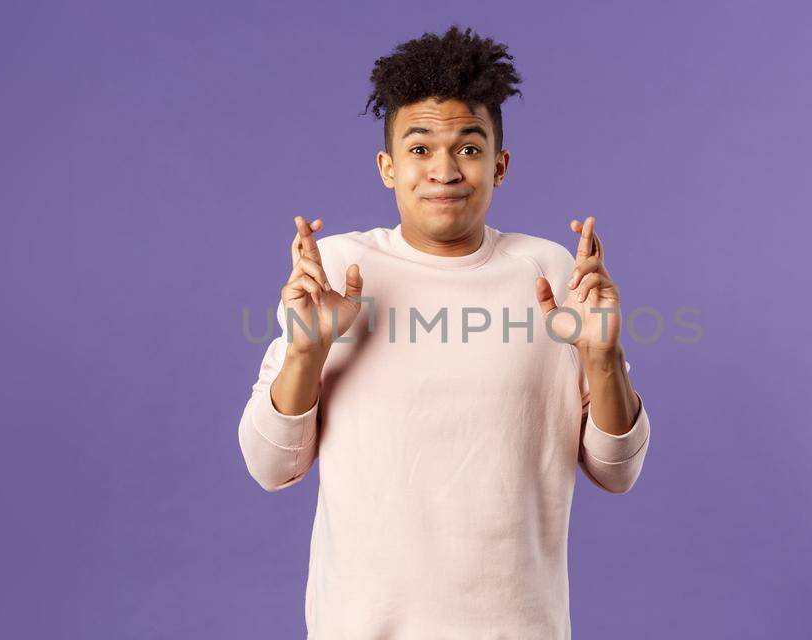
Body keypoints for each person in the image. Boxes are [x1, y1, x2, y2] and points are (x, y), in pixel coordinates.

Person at [237, 25, 652, 638]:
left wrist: (604, 356)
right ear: (387, 167)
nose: (445, 170)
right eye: (421, 147)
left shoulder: (550, 272)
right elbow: (270, 467)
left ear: (500, 165)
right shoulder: (338, 269)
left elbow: (616, 472)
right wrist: (307, 350)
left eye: (468, 147)